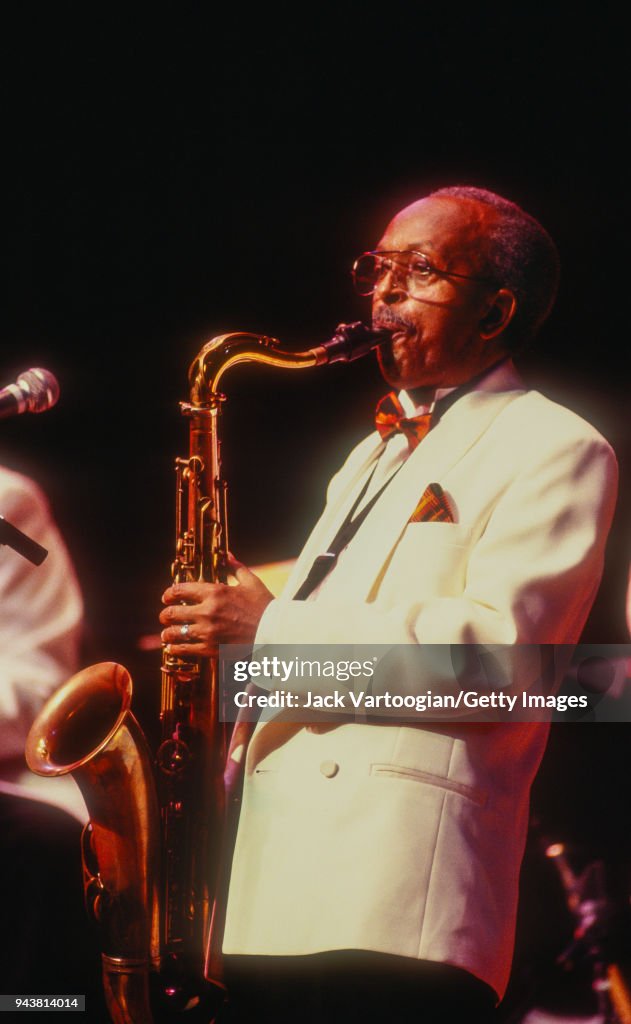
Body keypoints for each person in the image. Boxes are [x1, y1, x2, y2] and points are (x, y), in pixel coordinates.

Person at [159, 186, 618, 1022]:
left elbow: (502, 666)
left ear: (494, 311)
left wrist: (271, 626)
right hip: (265, 889)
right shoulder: (366, 457)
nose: (383, 293)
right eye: (377, 269)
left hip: (394, 903)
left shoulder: (556, 444)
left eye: (418, 270)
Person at [0, 465, 90, 994]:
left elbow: (39, 685)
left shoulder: (7, 508)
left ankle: (34, 1008)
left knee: (39, 848)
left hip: (13, 787)